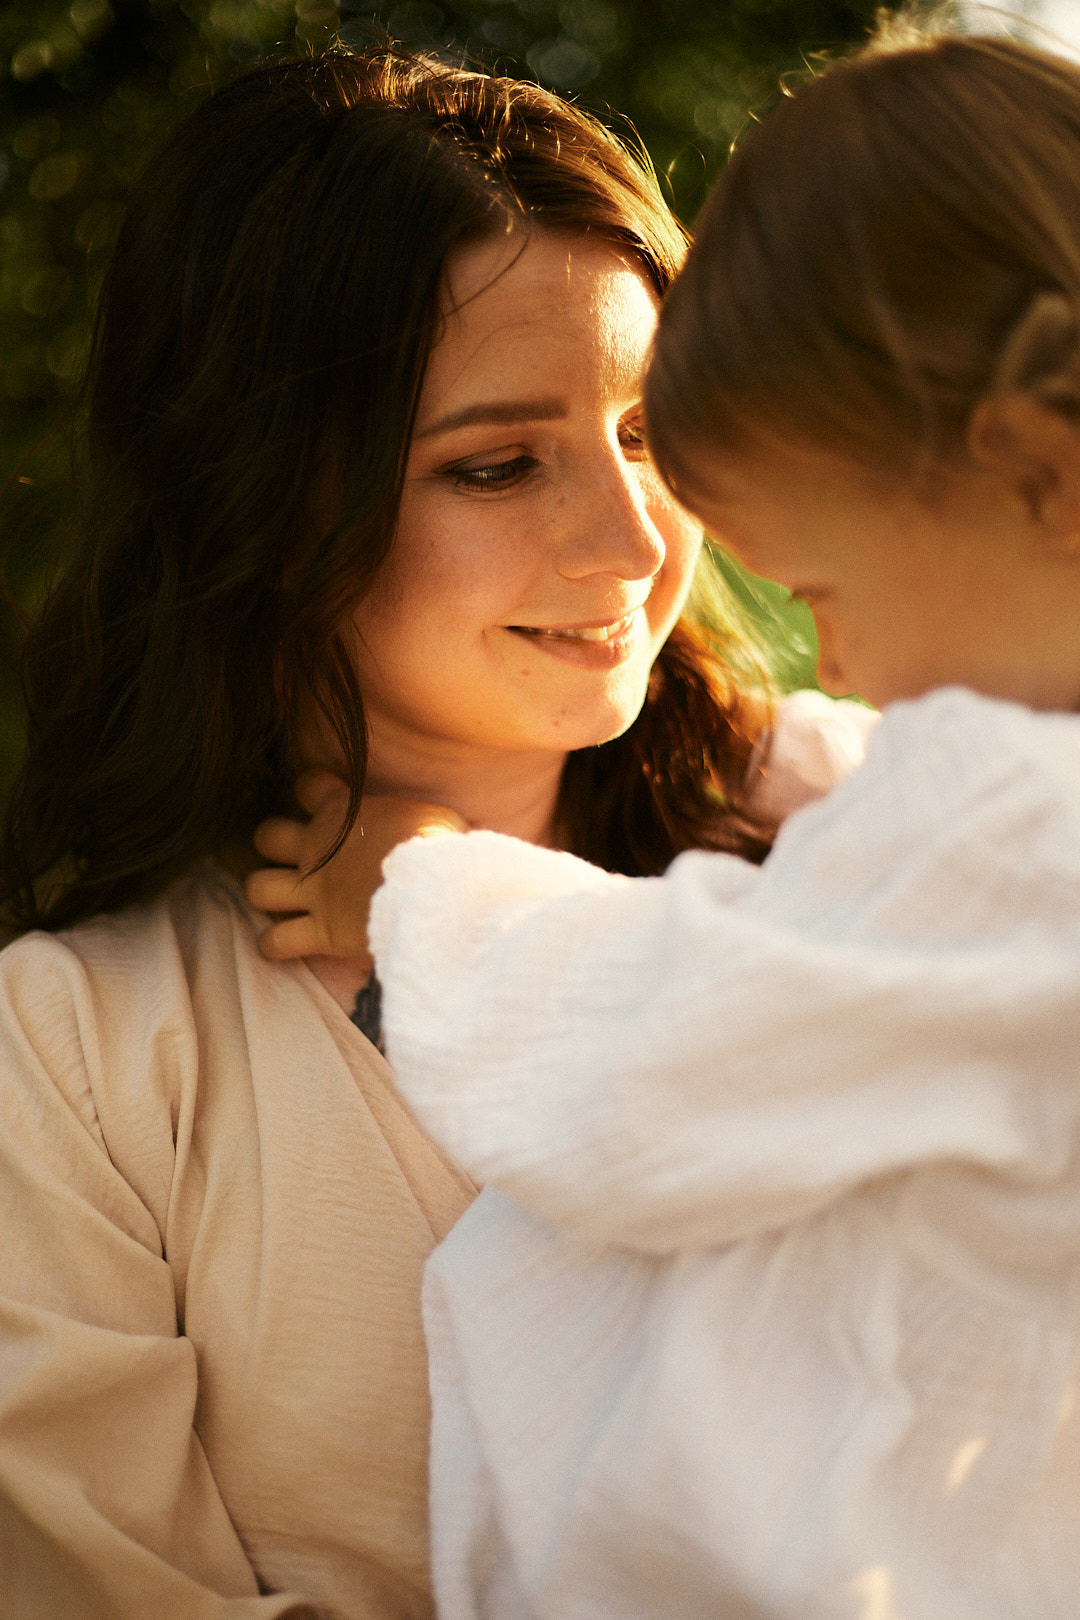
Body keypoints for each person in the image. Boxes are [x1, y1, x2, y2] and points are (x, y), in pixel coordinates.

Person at [0, 37, 877, 1620]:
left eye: (646, 431)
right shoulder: (76, 1058)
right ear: (260, 501)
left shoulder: (858, 832)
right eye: (497, 465)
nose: (631, 542)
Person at [249, 16, 1080, 1619]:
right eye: (500, 463)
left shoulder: (1006, 819)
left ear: (1040, 472)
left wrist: (430, 894)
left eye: (828, 589)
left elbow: (665, 1046)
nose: (841, 666)